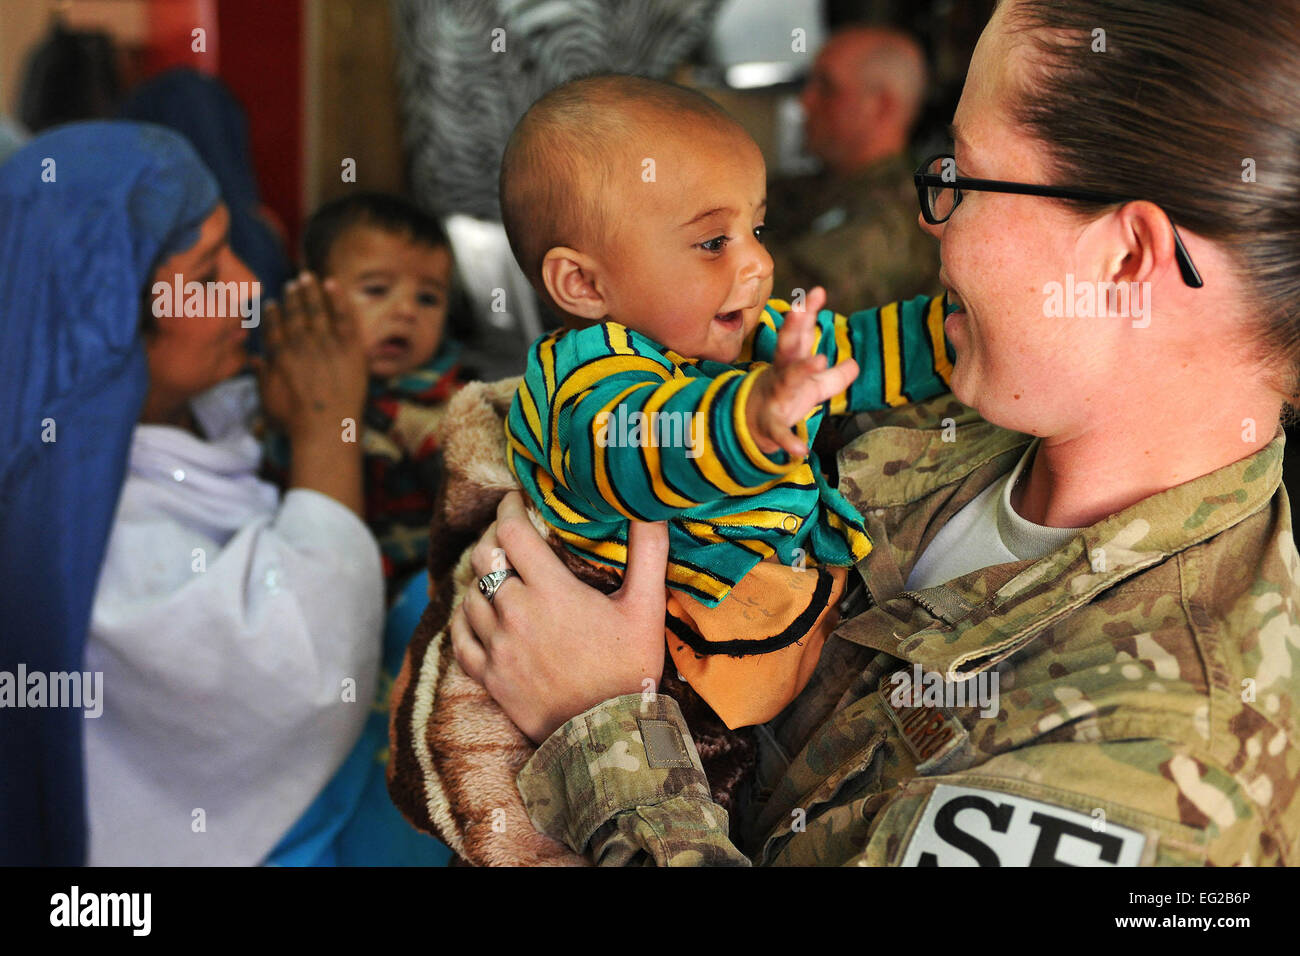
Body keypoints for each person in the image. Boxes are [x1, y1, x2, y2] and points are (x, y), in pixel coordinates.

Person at [441, 0, 1300, 865]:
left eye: (963, 177)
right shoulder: (970, 401)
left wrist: (598, 727)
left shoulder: (1156, 768)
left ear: (1121, 261)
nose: (930, 215)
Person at [0, 121, 437, 865]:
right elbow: (304, 680)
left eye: (232, 251)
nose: (248, 289)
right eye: (206, 278)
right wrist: (327, 431)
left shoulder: (185, 410)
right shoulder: (78, 539)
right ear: (109, 326)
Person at [497, 75, 953, 729]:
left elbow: (858, 350)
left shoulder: (756, 337)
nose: (758, 264)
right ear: (583, 283)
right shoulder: (583, 377)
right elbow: (641, 444)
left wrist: (958, 330)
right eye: (713, 242)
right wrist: (750, 418)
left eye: (757, 229)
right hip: (662, 697)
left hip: (759, 671)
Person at [264, 192, 466, 594]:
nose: (406, 311)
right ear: (315, 297)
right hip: (313, 579)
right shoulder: (285, 383)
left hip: (420, 585)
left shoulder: (444, 404)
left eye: (428, 297)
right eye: (376, 290)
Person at [765, 26, 940, 309]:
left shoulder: (895, 217)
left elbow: (800, 304)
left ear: (880, 105)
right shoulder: (816, 186)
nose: (806, 102)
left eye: (826, 88)